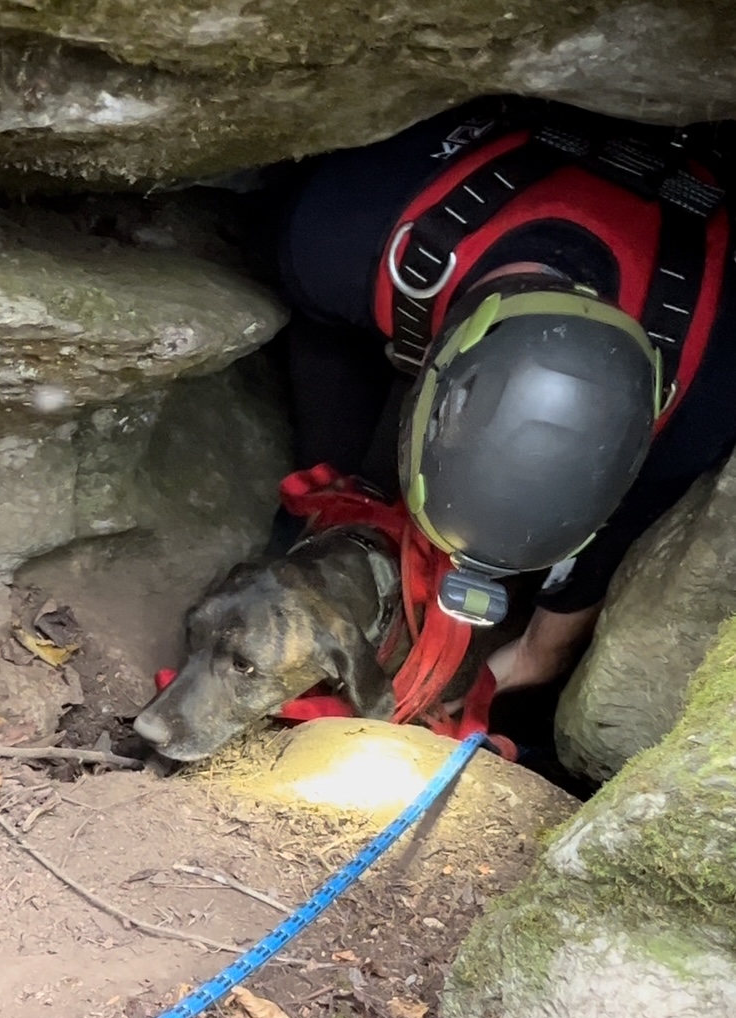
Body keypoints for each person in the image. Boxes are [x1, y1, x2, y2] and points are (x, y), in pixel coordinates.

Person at [275, 95, 736, 697]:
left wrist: (517, 665)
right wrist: (336, 484)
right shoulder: (342, 229)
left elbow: (605, 556)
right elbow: (321, 333)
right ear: (429, 371)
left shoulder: (703, 404)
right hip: (523, 139)